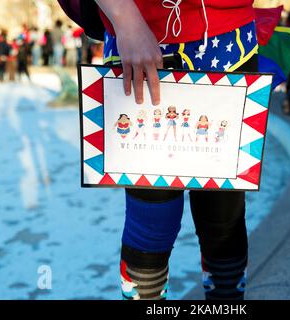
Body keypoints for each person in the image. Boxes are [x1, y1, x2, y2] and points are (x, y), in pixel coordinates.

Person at [58, 0, 259, 300]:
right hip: (139, 34)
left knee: (223, 221)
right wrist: (125, 18)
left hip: (229, 43)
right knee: (152, 223)